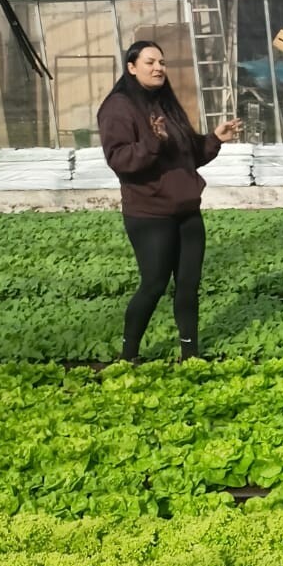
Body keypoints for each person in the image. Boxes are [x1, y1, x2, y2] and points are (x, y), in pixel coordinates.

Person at [97, 40, 242, 362]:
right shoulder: (118, 107)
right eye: (150, 62)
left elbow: (187, 156)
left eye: (161, 62)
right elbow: (120, 159)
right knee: (154, 284)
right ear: (131, 67)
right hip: (150, 214)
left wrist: (214, 139)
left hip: (187, 212)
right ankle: (128, 355)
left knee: (188, 285)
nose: (158, 68)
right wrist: (153, 142)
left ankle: (190, 355)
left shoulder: (166, 104)